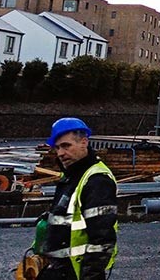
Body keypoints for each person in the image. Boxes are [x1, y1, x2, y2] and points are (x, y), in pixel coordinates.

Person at [35, 117, 118, 279]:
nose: (60, 153)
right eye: (57, 147)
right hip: (58, 268)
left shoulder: (97, 180)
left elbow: (102, 240)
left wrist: (91, 276)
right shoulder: (71, 176)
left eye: (66, 146)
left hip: (75, 271)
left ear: (84, 142)